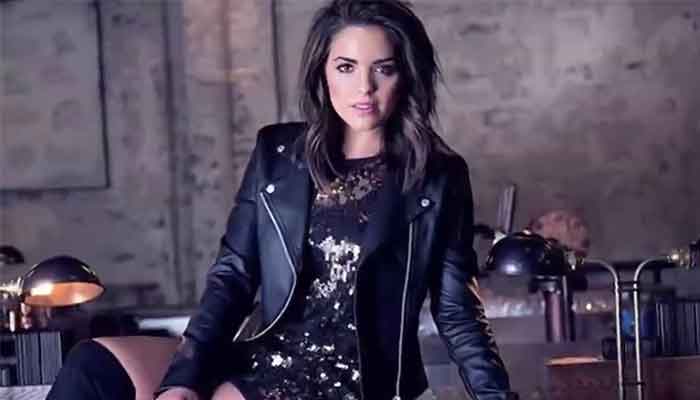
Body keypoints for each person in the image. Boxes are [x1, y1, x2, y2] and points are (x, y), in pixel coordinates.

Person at [48, 1, 516, 399]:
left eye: (383, 68)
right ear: (323, 72)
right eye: (346, 67)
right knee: (92, 367)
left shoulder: (437, 176)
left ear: (406, 75)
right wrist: (183, 379)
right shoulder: (277, 155)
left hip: (352, 380)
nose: (364, 88)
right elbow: (233, 277)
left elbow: (456, 311)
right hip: (259, 353)